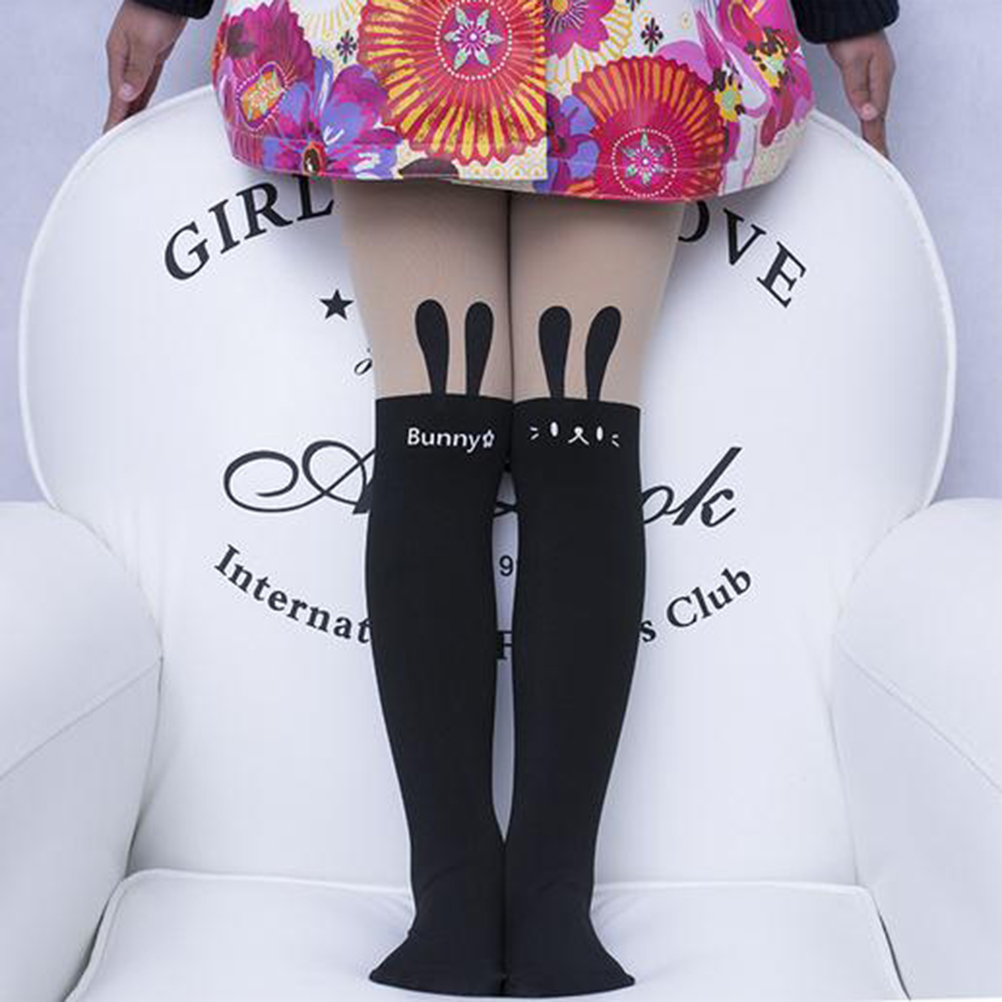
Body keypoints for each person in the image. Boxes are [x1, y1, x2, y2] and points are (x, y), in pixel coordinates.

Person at [102, 0, 898, 996]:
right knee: (444, 431)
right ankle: (455, 893)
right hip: (426, 25)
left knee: (574, 435)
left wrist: (846, 12)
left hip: (613, 32)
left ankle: (551, 894)